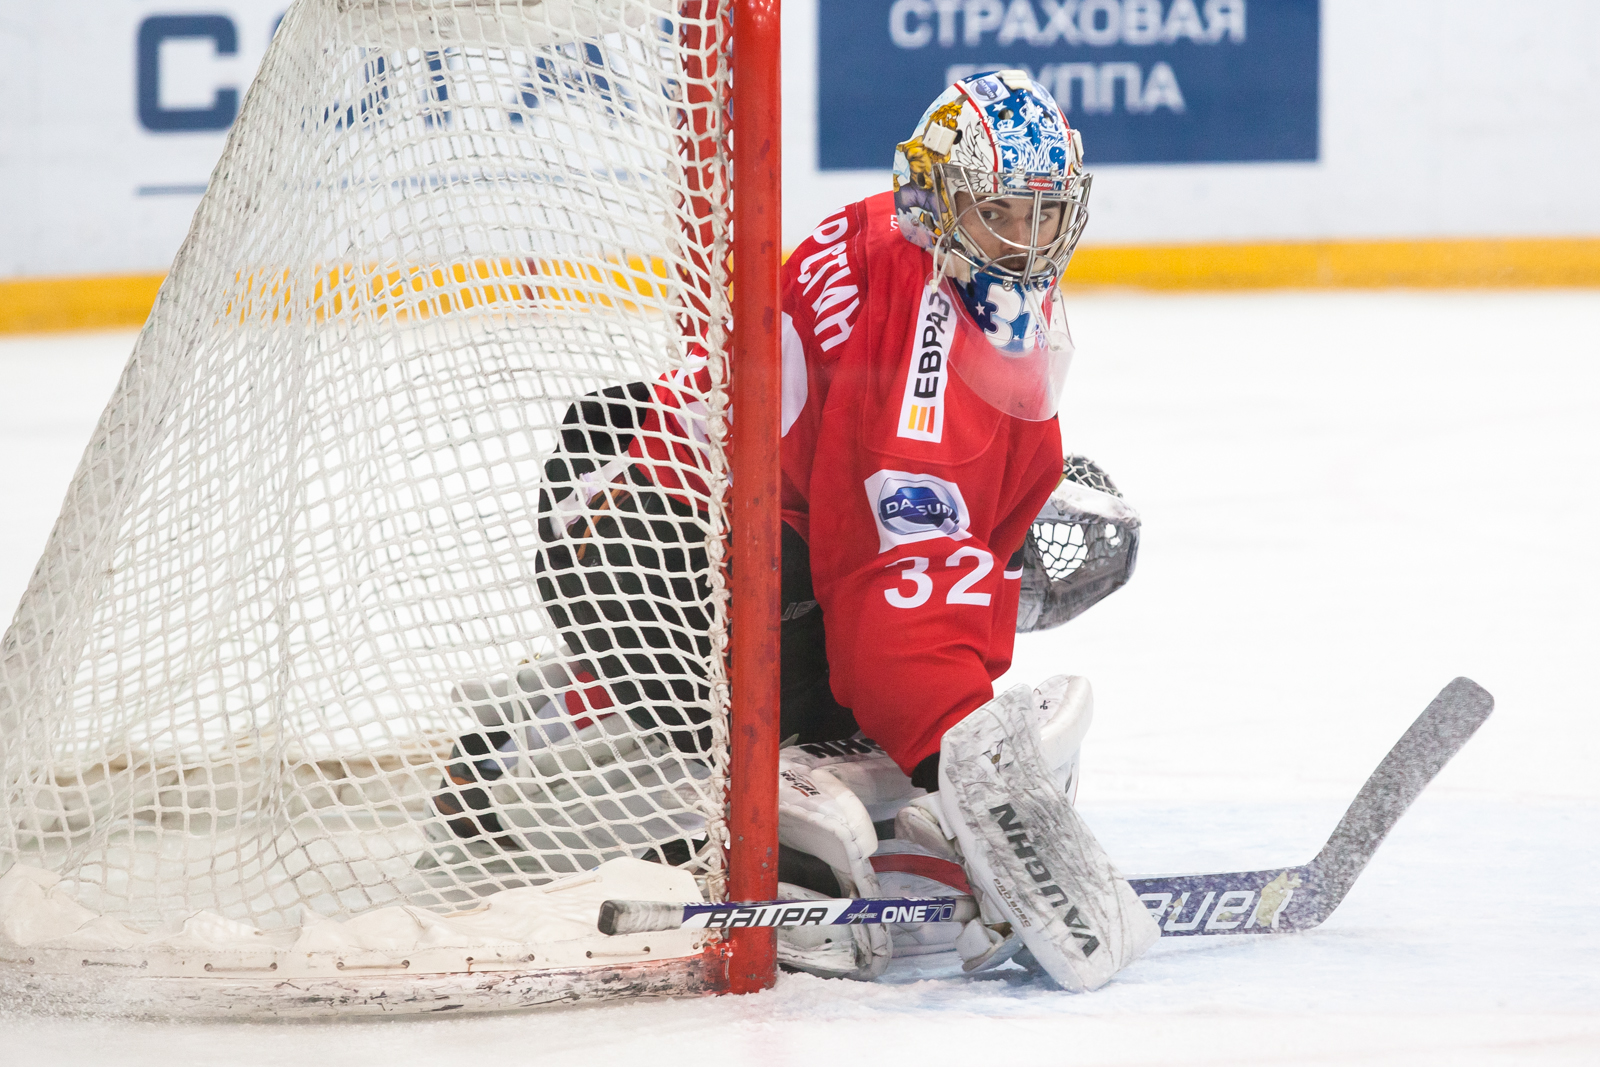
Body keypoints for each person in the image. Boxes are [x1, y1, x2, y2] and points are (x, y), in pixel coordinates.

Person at [437, 70, 1155, 989]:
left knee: (863, 672)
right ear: (937, 205)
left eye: (1043, 216)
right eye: (999, 215)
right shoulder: (916, 362)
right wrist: (975, 787)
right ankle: (544, 746)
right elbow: (892, 593)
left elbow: (884, 515)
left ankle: (575, 710)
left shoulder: (919, 245)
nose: (1024, 244)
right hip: (629, 538)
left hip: (652, 498)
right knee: (838, 705)